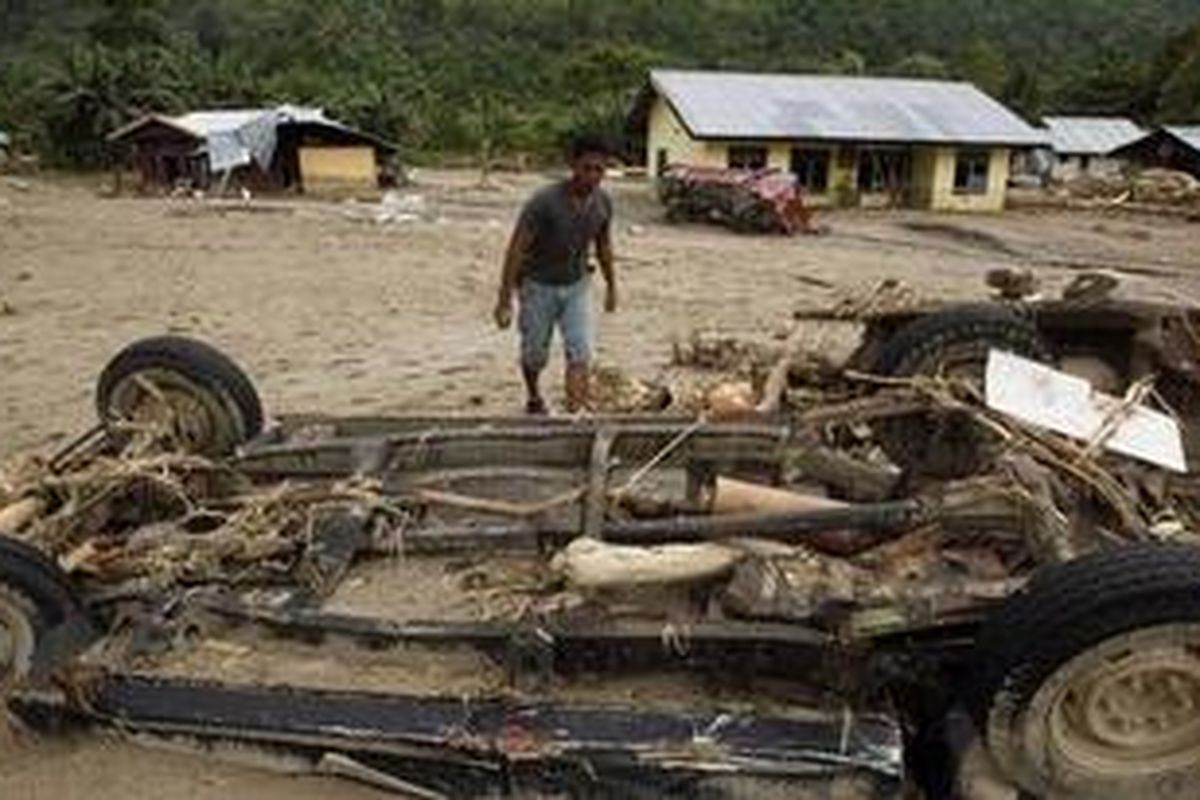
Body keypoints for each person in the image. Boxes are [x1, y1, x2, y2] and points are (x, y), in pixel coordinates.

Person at [493, 135, 617, 414]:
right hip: (538, 286)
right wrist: (503, 300)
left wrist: (611, 285)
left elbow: (604, 244)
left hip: (577, 286)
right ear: (572, 165)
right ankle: (534, 395)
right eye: (587, 168)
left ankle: (577, 413)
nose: (593, 176)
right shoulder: (544, 202)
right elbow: (516, 248)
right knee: (534, 354)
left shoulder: (603, 203)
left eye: (600, 169)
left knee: (580, 351)